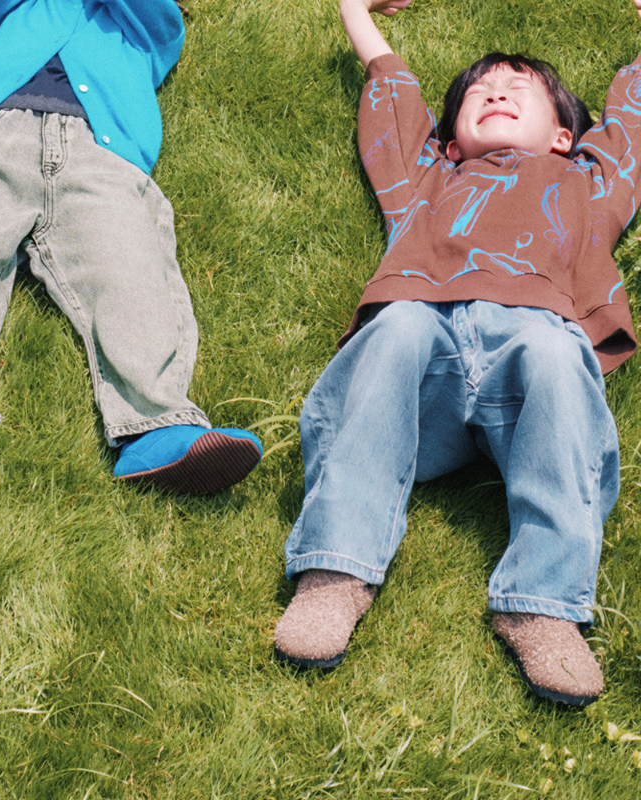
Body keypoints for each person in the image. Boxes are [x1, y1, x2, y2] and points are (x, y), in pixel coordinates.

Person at [273, 0, 641, 706]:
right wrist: (354, 9)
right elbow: (393, 96)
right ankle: (334, 570)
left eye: (518, 88)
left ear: (565, 137)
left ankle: (544, 604)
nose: (496, 92)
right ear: (448, 144)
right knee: (396, 328)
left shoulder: (591, 185)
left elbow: (632, 124)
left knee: (554, 351)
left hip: (531, 368)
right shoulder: (426, 181)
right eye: (479, 91)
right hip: (422, 376)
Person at [0, 0, 262, 497]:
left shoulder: (148, 28)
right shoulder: (20, 10)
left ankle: (159, 423)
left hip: (101, 154)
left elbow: (162, 24)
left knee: (129, 271)